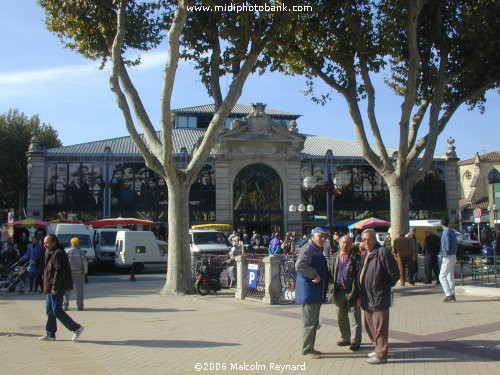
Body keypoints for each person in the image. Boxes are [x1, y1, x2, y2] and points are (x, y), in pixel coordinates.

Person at [358, 229, 400, 365]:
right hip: (367, 297)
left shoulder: (382, 252)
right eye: (364, 240)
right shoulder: (367, 254)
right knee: (370, 325)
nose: (366, 242)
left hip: (378, 296)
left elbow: (394, 274)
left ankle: (381, 354)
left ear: (375, 239)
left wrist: (383, 286)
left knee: (379, 327)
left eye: (369, 239)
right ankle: (377, 349)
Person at [39, 234, 84, 341]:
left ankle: (76, 328)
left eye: (47, 242)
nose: (44, 244)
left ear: (54, 242)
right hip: (50, 286)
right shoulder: (49, 252)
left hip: (57, 286)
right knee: (49, 310)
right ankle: (50, 334)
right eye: (44, 242)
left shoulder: (59, 253)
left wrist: (55, 287)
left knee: (57, 310)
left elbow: (59, 272)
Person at [295, 227, 329, 359]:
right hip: (309, 292)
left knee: (313, 322)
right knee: (309, 322)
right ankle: (307, 350)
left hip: (315, 292)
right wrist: (315, 274)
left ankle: (310, 348)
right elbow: (300, 265)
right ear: (313, 236)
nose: (323, 239)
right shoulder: (308, 249)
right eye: (320, 236)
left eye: (324, 237)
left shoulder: (315, 249)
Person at [327, 235, 362, 351]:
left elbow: (359, 278)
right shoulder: (334, 257)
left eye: (347, 243)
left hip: (352, 291)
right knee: (341, 317)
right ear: (339, 243)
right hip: (338, 291)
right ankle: (345, 338)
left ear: (351, 244)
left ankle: (355, 341)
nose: (345, 245)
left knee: (354, 318)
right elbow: (329, 272)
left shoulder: (356, 257)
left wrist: (359, 295)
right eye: (343, 242)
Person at [64, 237, 88, 311]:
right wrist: (85, 272)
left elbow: (64, 263)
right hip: (79, 272)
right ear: (78, 243)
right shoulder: (81, 252)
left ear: (71, 243)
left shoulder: (67, 251)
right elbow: (84, 263)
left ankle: (65, 305)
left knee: (66, 290)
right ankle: (80, 306)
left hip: (68, 273)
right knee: (80, 290)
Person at [439, 217, 458, 302]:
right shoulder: (452, 231)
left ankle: (449, 294)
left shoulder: (445, 232)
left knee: (442, 276)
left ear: (441, 224)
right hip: (453, 255)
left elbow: (447, 245)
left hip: (447, 256)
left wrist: (444, 254)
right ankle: (452, 294)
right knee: (450, 276)